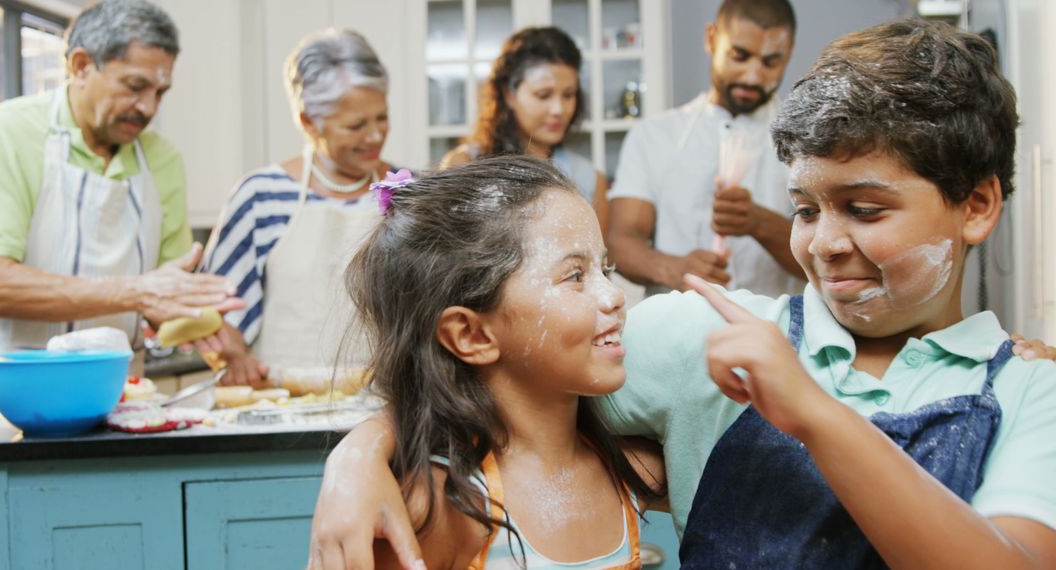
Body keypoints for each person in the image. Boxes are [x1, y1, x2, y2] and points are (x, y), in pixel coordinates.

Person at [308, 19, 1056, 569]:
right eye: (803, 209)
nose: (824, 242)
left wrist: (814, 415)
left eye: (864, 209)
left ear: (977, 205)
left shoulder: (1030, 390)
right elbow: (492, 388)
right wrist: (359, 454)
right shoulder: (702, 335)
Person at [312, 155, 663, 569]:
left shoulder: (632, 470)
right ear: (471, 335)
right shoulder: (444, 509)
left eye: (605, 268)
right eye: (574, 276)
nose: (614, 295)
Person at [0, 0, 239, 403]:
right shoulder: (5, 134)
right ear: (81, 65)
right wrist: (136, 292)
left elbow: (165, 297)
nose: (148, 107)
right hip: (7, 410)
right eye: (135, 87)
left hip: (121, 403)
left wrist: (217, 333)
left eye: (160, 92)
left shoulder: (162, 160)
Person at [199, 30, 393, 387]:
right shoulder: (261, 195)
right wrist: (233, 356)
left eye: (381, 118)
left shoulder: (407, 194)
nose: (374, 136)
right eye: (355, 125)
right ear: (307, 121)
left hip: (386, 407)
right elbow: (217, 311)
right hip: (279, 402)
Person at [608, 0, 803, 296]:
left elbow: (829, 260)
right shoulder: (653, 136)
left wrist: (760, 223)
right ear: (711, 39)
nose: (753, 76)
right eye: (740, 56)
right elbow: (620, 242)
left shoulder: (809, 142)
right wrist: (671, 268)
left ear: (789, 54)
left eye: (770, 62)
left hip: (774, 334)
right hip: (675, 333)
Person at [441, 27, 610, 235]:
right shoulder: (464, 164)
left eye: (568, 95)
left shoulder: (589, 179)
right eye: (543, 95)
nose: (559, 109)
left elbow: (596, 263)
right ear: (509, 94)